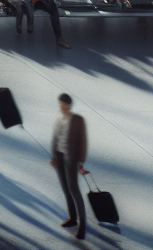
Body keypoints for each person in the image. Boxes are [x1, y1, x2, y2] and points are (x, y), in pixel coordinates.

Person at [51, 93, 89, 241]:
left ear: (69, 105)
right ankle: (72, 217)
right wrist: (53, 156)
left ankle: (83, 225)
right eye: (59, 104)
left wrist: (81, 162)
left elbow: (83, 141)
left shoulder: (78, 120)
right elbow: (55, 138)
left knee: (74, 189)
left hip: (71, 158)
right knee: (65, 188)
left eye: (63, 104)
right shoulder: (60, 120)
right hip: (59, 157)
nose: (60, 107)